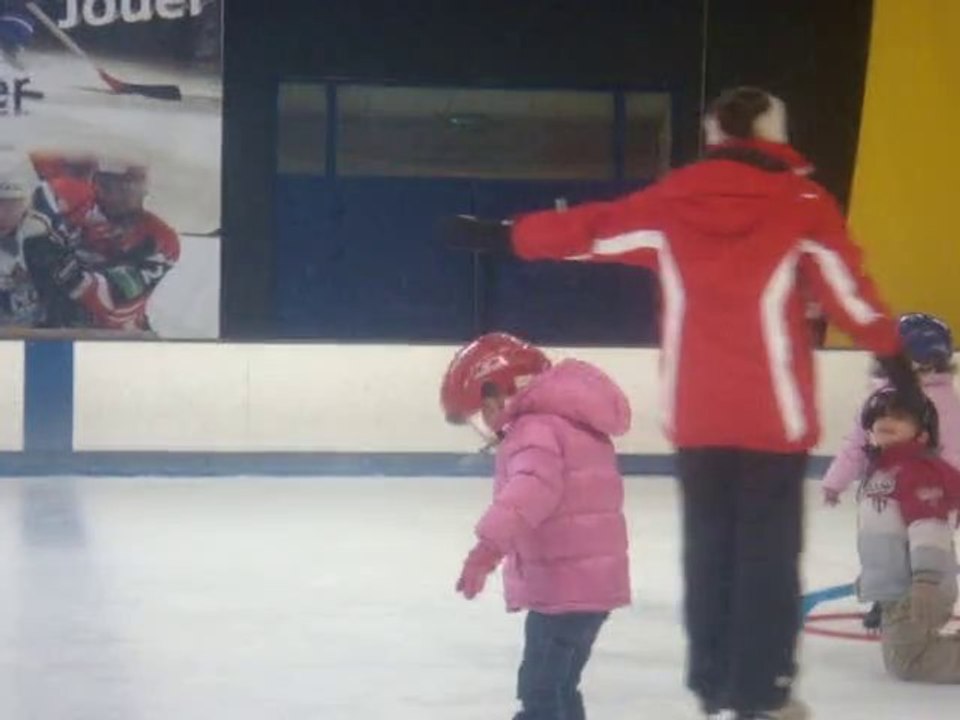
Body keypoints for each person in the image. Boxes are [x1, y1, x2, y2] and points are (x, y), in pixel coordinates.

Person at [441, 87, 921, 719]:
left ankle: (713, 679)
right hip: (774, 421)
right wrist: (898, 368)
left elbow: (594, 232)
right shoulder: (802, 203)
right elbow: (849, 297)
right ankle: (762, 693)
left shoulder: (676, 202)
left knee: (710, 549)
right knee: (768, 558)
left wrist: (508, 237)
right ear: (775, 134)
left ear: (714, 136)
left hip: (700, 418)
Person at [442, 332, 632, 720]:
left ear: (501, 393)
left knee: (540, 693)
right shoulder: (571, 422)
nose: (486, 427)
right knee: (559, 687)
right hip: (590, 591)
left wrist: (486, 551)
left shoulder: (534, 431)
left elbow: (528, 495)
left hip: (562, 593)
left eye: (481, 413)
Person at [855, 386, 960, 682]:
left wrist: (925, 580)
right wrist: (872, 576)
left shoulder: (917, 470)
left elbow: (930, 527)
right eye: (880, 416)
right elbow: (881, 533)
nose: (886, 420)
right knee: (903, 655)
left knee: (909, 663)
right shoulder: (881, 471)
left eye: (899, 416)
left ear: (922, 434)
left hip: (920, 589)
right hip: (897, 590)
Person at [26, 157, 180, 332]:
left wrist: (62, 266)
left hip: (118, 336)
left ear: (144, 189)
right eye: (108, 184)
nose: (117, 193)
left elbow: (116, 299)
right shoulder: (79, 200)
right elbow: (32, 186)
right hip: (52, 325)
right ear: (96, 182)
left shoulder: (158, 237)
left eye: (129, 185)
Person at [0, 148, 53, 328]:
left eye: (11, 203)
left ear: (27, 202)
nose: (2, 212)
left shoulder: (39, 228)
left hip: (33, 327)